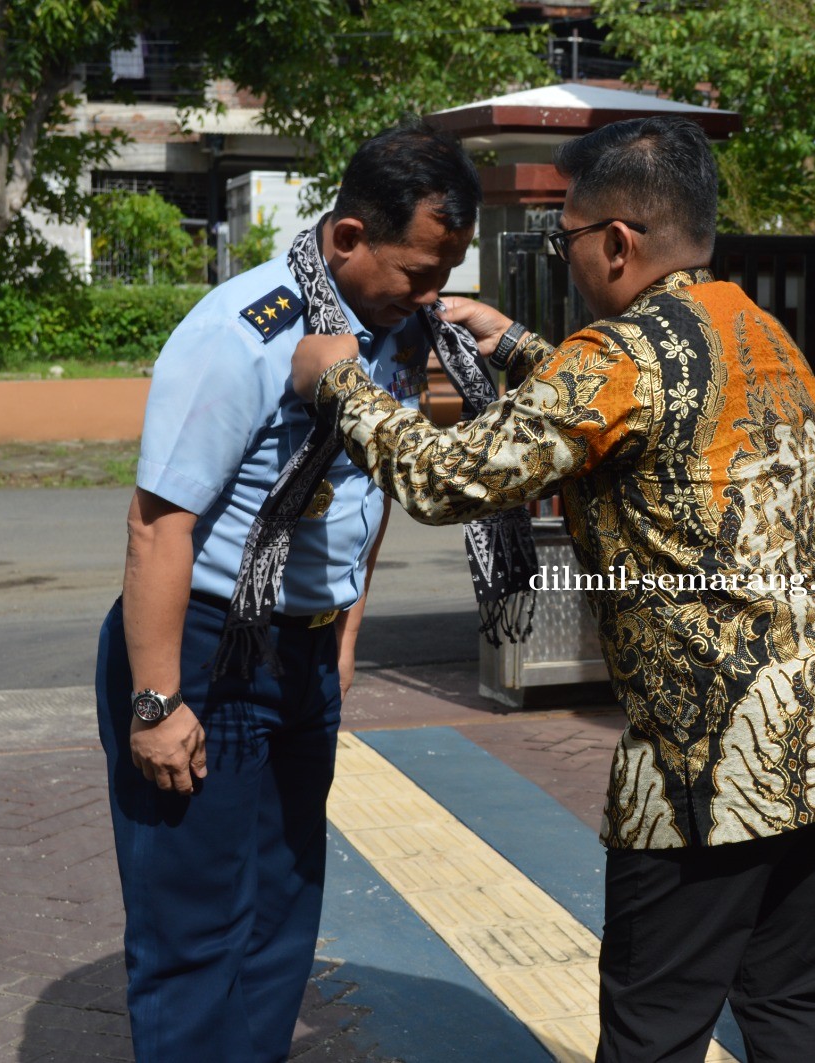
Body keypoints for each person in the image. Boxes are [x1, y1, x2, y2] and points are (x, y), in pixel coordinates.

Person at [292, 115, 815, 1062]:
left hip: (721, 767)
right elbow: (640, 418)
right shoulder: (761, 332)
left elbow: (445, 478)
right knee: (787, 1000)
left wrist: (342, 386)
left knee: (654, 1030)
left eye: (568, 238)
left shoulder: (617, 356)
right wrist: (509, 342)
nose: (567, 257)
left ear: (618, 242)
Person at [95, 119, 478, 1061]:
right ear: (348, 238)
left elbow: (367, 490)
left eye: (445, 276)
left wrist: (342, 633)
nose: (433, 298)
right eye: (419, 273)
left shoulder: (391, 331)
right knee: (194, 928)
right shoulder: (247, 330)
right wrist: (156, 701)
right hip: (204, 649)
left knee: (281, 910)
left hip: (301, 653)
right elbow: (159, 523)